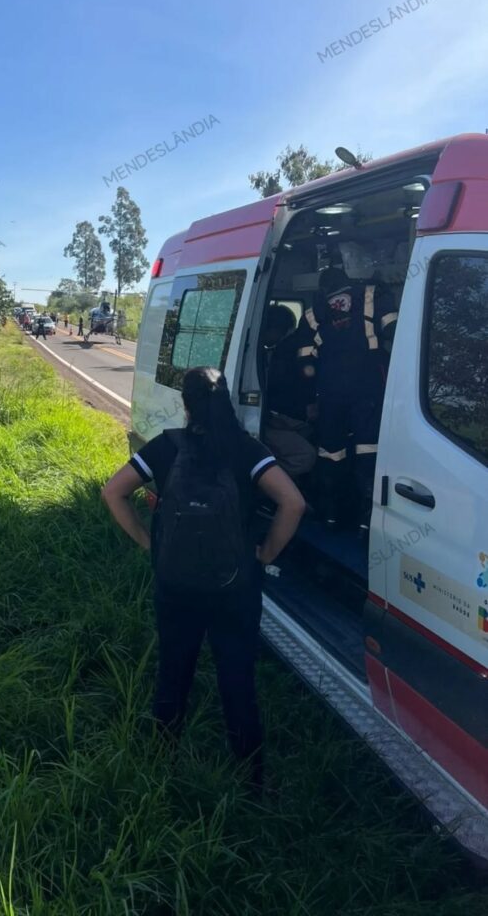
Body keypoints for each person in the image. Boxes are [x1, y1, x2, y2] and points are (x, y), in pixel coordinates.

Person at [102, 367, 305, 791]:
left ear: (186, 403)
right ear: (226, 400)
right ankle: (251, 778)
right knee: (237, 676)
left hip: (174, 582)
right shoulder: (247, 449)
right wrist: (265, 554)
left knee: (173, 671)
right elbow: (293, 502)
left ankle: (161, 764)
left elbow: (113, 491)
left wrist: (146, 542)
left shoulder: (167, 446)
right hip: (236, 586)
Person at [296, 266, 397, 534]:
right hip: (368, 389)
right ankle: (367, 519)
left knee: (331, 453)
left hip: (330, 393)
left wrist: (313, 393)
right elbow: (395, 331)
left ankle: (331, 515)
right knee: (369, 450)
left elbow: (305, 360)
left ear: (323, 288)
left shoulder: (313, 312)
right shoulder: (371, 295)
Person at [262, 305, 317, 480]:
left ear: (277, 330)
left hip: (283, 414)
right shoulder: (283, 349)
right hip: (274, 416)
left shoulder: (284, 351)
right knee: (306, 455)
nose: (263, 337)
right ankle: (268, 482)